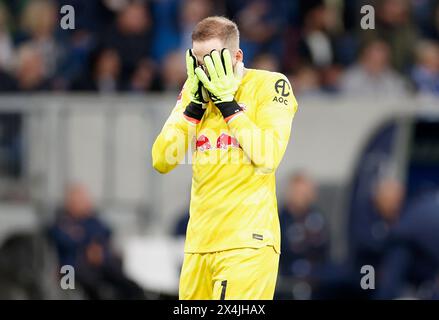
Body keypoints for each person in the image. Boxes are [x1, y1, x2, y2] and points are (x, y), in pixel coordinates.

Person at [152, 16, 298, 300]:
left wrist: (228, 105)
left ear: (237, 56)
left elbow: (267, 156)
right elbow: (162, 159)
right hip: (198, 245)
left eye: (213, 59)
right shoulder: (192, 94)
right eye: (198, 60)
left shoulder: (270, 86)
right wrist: (193, 108)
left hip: (248, 242)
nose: (205, 68)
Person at [49, 183, 144, 299]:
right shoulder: (62, 222)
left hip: (98, 267)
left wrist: (94, 245)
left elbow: (104, 233)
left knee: (129, 286)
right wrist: (87, 246)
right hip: (70, 269)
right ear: (70, 203)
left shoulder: (92, 220)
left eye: (85, 199)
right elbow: (65, 240)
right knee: (95, 287)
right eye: (79, 200)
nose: (85, 202)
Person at [278, 173, 330, 299]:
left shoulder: (317, 216)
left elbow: (325, 246)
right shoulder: (279, 218)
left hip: (317, 272)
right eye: (298, 192)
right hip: (288, 272)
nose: (302, 196)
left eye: (305, 191)